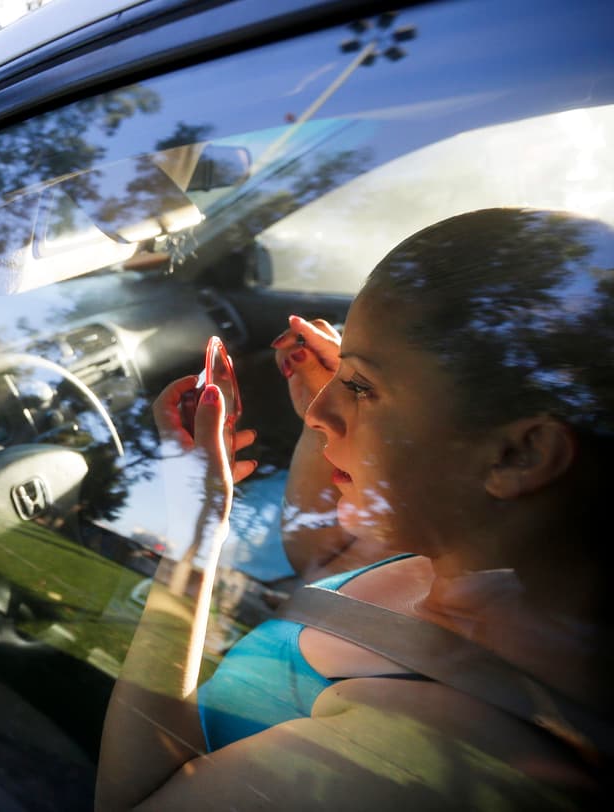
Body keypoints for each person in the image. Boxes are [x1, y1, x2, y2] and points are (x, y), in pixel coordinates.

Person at [96, 208, 614, 809]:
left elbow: (130, 800)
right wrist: (357, 401)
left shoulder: (413, 757)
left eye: (362, 388)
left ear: (519, 454)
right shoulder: (480, 558)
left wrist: (192, 537)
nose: (319, 410)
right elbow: (321, 559)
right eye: (340, 373)